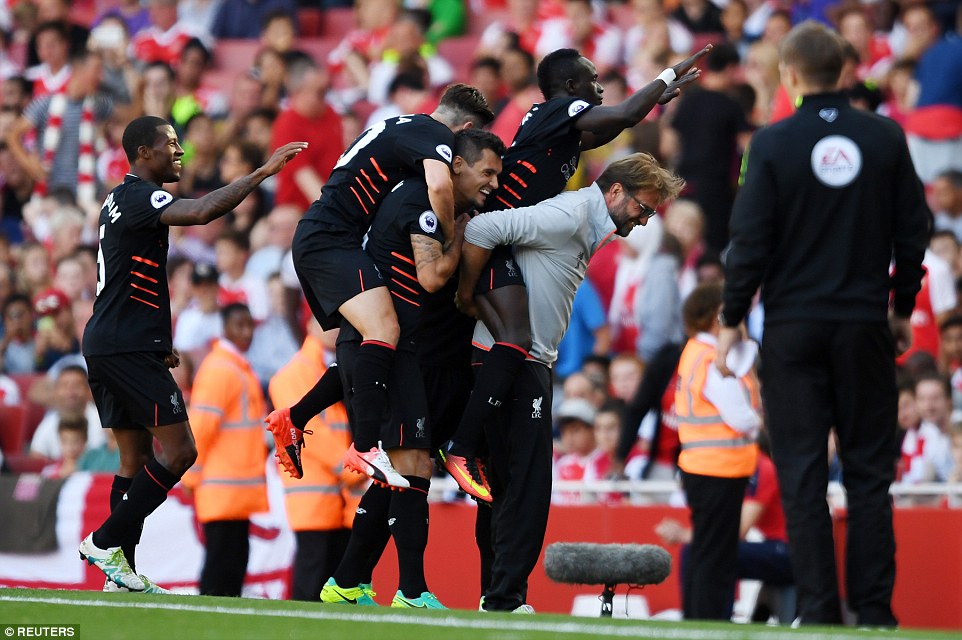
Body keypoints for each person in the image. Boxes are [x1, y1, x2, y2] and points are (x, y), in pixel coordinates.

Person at [716, 21, 929, 627]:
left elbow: (749, 238)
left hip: (794, 328)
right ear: (845, 70)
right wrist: (902, 308)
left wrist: (733, 314)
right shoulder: (885, 137)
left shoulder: (773, 143)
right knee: (868, 475)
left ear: (788, 75)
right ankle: (874, 611)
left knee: (803, 475)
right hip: (864, 323)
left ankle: (817, 611)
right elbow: (913, 233)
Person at [440, 44, 711, 501]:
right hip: (492, 237)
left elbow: (610, 127)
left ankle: (464, 443)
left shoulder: (556, 129)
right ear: (569, 88)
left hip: (502, 237)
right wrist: (662, 79)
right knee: (516, 339)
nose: (600, 87)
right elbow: (621, 115)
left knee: (506, 342)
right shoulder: (560, 110)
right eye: (592, 80)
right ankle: (461, 448)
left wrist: (650, 104)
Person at [78, 114, 305, 593]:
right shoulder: (141, 195)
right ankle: (104, 541)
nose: (180, 152)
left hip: (111, 342)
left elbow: (132, 280)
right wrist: (261, 174)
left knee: (133, 460)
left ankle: (119, 575)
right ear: (144, 153)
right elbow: (201, 212)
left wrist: (160, 342)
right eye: (170, 143)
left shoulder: (117, 199)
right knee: (180, 450)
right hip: (127, 345)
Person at [458, 152, 685, 612]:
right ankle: (503, 598)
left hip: (515, 358)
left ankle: (495, 594)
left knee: (504, 485)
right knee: (529, 486)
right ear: (616, 191)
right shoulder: (572, 213)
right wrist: (469, 297)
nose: (645, 220)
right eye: (644, 207)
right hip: (519, 360)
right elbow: (482, 230)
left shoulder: (584, 218)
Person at [265, 84, 494, 488]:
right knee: (384, 330)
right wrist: (448, 233)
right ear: (466, 127)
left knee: (376, 343)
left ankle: (294, 418)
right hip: (331, 240)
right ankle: (366, 444)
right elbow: (440, 186)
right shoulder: (435, 134)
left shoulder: (397, 126)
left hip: (332, 237)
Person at [319, 128, 504, 610]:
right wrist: (462, 235)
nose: (494, 184)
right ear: (455, 165)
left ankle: (346, 580)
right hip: (399, 356)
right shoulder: (423, 202)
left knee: (402, 473)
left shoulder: (433, 201)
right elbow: (431, 275)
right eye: (487, 172)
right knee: (412, 465)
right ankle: (412, 590)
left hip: (412, 353)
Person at [674, 282, 762, 620]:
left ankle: (699, 620)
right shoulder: (712, 358)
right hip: (719, 469)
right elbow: (740, 417)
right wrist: (761, 419)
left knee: (707, 553)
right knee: (716, 557)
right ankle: (708, 622)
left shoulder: (696, 352)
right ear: (718, 317)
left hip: (707, 467)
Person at [268, 318, 364, 602]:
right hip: (313, 492)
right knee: (313, 577)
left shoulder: (321, 368)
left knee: (328, 579)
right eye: (331, 323)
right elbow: (313, 435)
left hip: (335, 495)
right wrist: (352, 470)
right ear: (311, 326)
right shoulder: (295, 373)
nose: (338, 329)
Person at [181, 303, 268, 597]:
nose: (246, 332)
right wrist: (190, 477)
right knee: (220, 567)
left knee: (232, 565)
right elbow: (200, 430)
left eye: (249, 325)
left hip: (236, 489)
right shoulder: (220, 369)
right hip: (222, 487)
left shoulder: (236, 367)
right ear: (224, 329)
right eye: (238, 326)